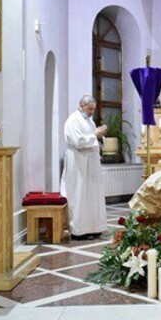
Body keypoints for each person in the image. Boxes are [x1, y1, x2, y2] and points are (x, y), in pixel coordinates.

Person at [60, 95, 108, 240]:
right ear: (81, 105)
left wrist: (99, 135)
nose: (91, 112)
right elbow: (78, 141)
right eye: (89, 109)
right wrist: (95, 134)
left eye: (93, 109)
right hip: (78, 161)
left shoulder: (89, 121)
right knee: (79, 193)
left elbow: (92, 138)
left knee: (93, 194)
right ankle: (79, 230)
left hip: (91, 163)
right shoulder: (73, 120)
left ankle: (94, 227)